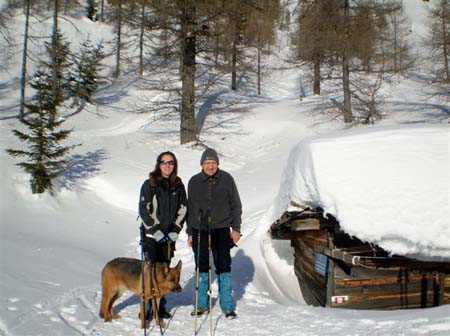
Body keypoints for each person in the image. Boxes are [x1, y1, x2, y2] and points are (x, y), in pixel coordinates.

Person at [186, 148, 242, 319]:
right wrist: (189, 232)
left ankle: (227, 305)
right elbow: (190, 209)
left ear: (217, 164)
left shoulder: (227, 179)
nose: (210, 166)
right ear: (201, 164)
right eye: (207, 163)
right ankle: (202, 303)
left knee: (223, 267)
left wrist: (236, 228)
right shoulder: (194, 181)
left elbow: (236, 205)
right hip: (200, 230)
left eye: (213, 163)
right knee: (202, 267)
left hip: (221, 230)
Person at [139, 151, 187, 320]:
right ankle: (146, 307)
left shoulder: (178, 185)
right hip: (152, 237)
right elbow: (143, 210)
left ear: (175, 165)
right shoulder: (150, 184)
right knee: (150, 272)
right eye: (164, 162)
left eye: (171, 162)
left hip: (168, 238)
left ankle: (160, 306)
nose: (168, 165)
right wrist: (155, 230)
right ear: (158, 164)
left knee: (165, 272)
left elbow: (183, 209)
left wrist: (175, 230)